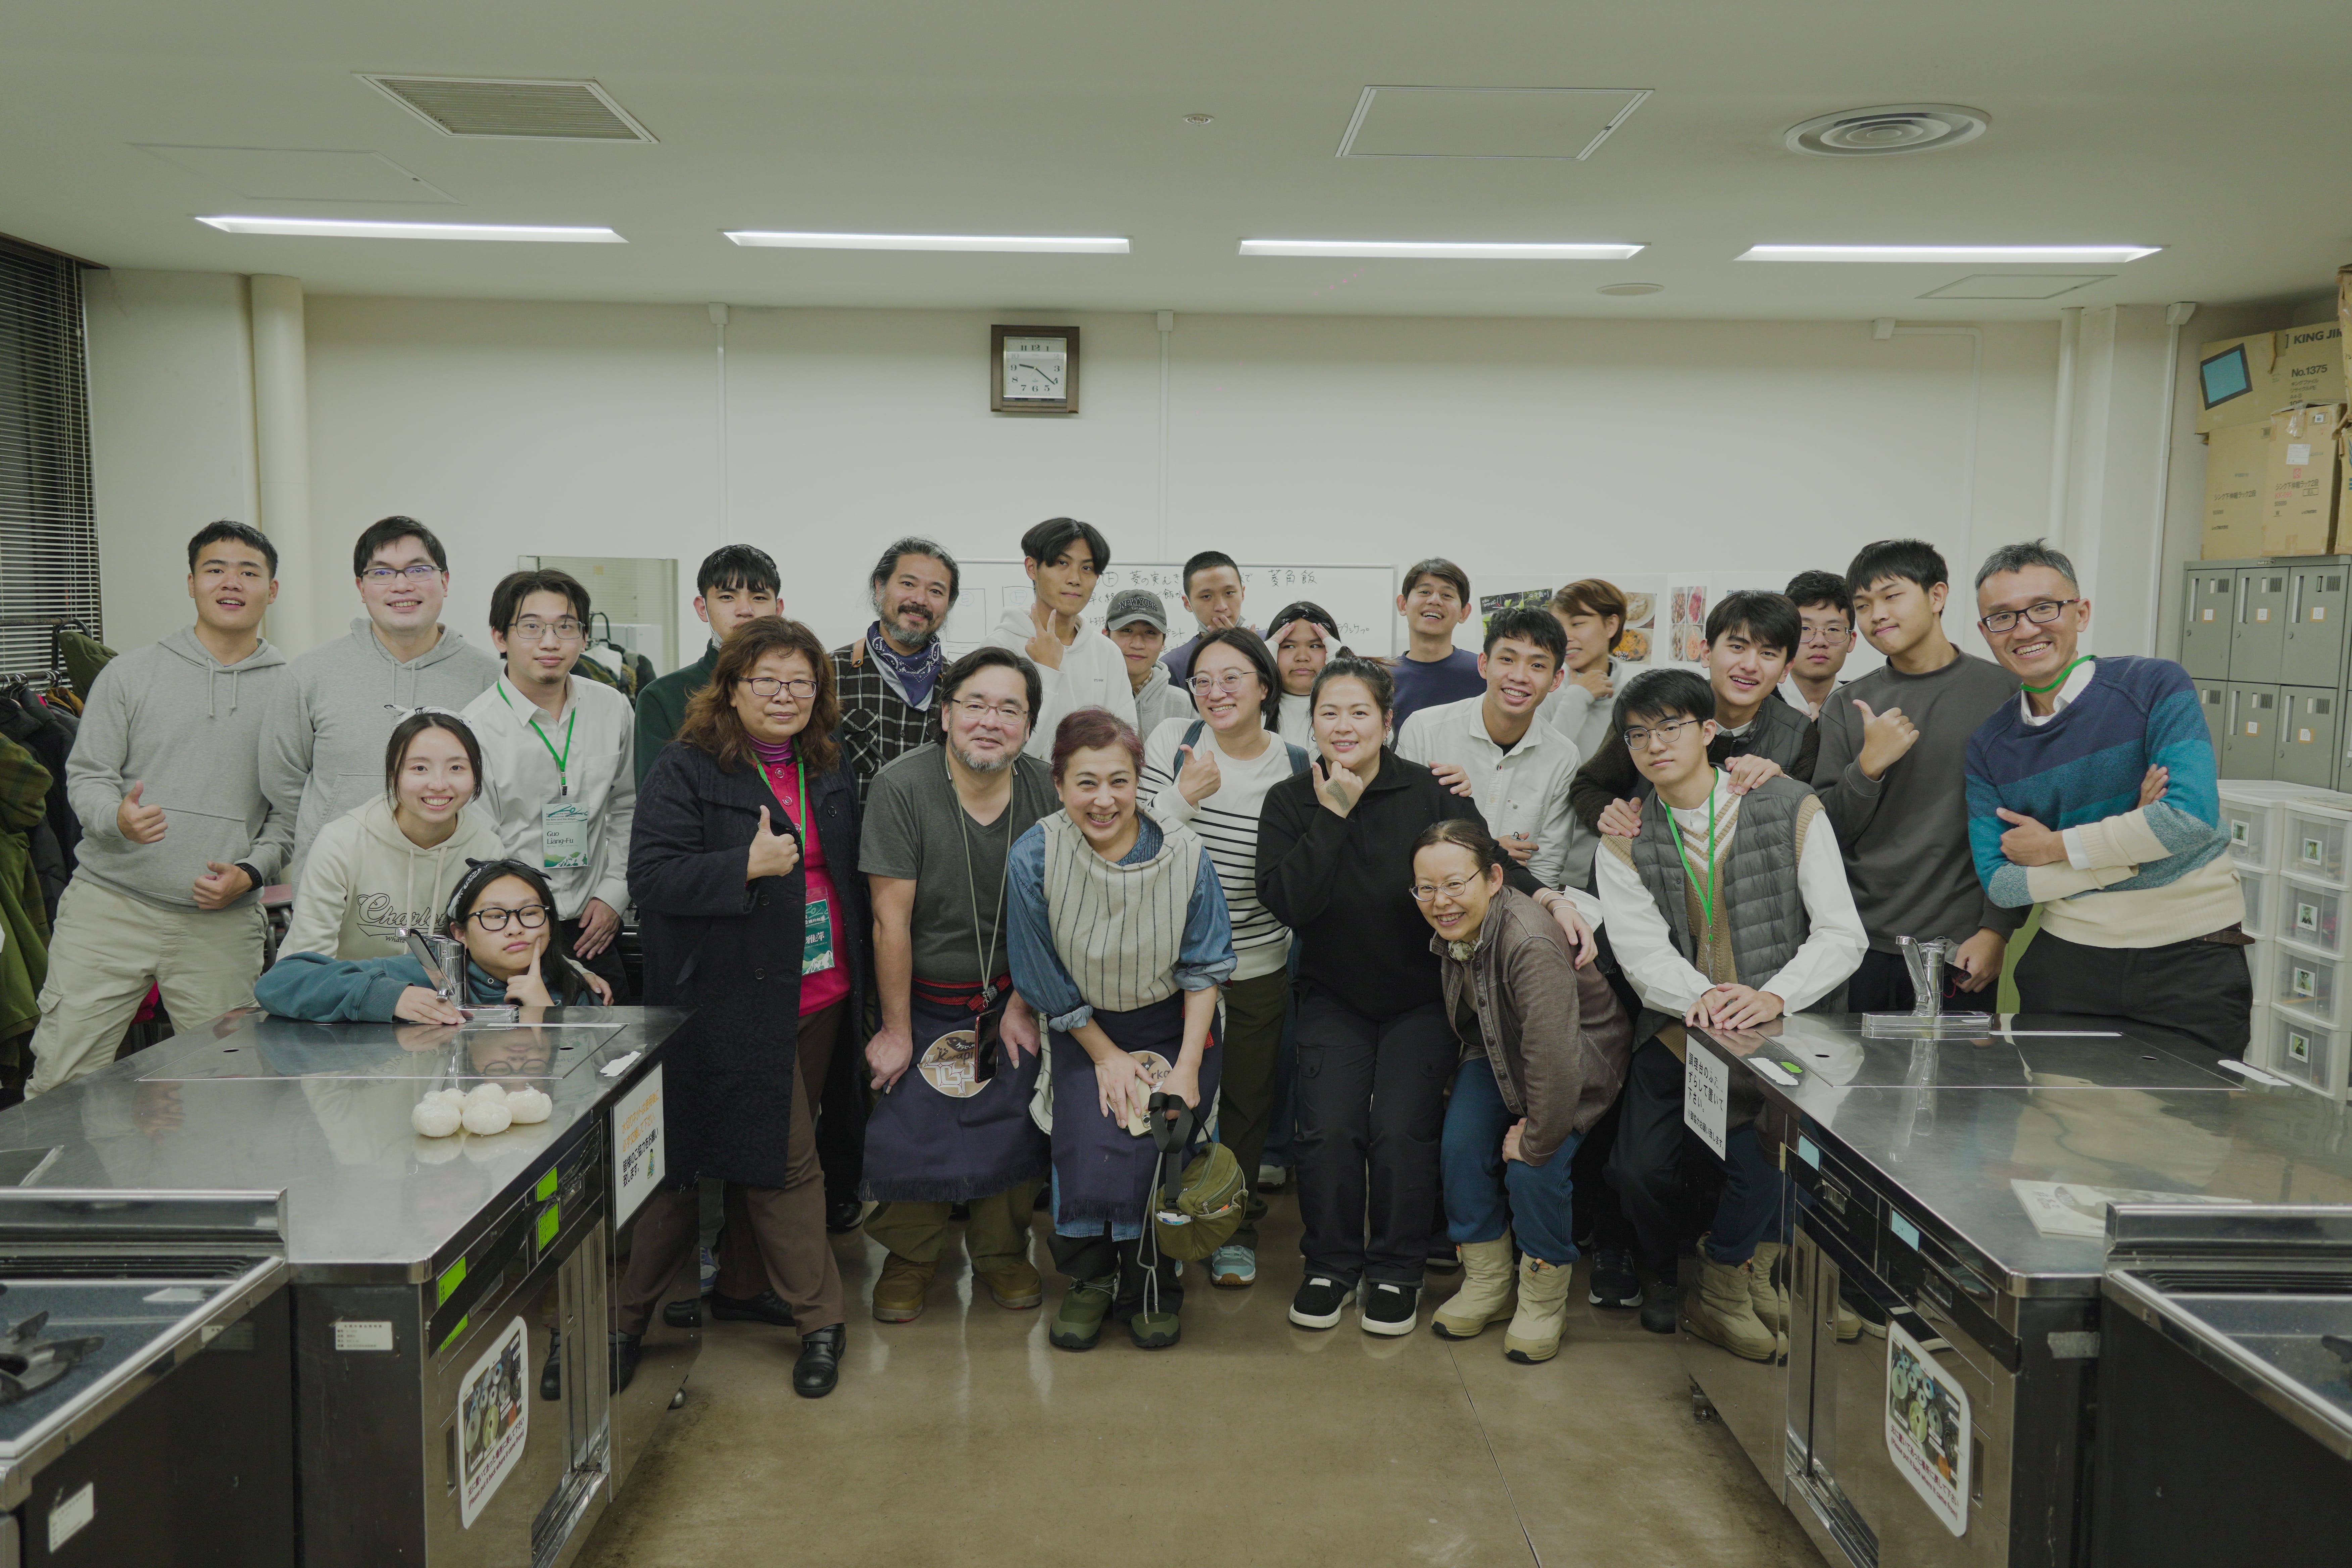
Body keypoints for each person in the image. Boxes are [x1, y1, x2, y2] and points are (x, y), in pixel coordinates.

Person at [1257, 656, 1598, 1336]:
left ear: (1387, 721)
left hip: (1422, 996)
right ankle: (1330, 1264)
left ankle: (1396, 1267)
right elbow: (1289, 901)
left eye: (1360, 712)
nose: (1344, 725)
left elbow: (1487, 862)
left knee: (1403, 1130)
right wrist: (1333, 815)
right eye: (1329, 712)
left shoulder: (1428, 789)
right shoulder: (1291, 799)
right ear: (1311, 721)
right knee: (1327, 1129)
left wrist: (1551, 897)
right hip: (1332, 995)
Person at [1592, 669, 1866, 1359]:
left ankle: (1735, 1279)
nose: (1655, 744)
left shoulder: (1788, 805)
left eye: (1671, 727)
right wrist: (1702, 997)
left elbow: (1841, 932)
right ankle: (1672, 1272)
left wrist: (1774, 996)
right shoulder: (1625, 834)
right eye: (1638, 734)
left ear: (1708, 731)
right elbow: (1639, 950)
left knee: (1771, 1158)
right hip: (1683, 1026)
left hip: (1779, 1025)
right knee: (1637, 1168)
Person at [626, 617, 866, 1397]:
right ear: (730, 687)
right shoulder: (688, 766)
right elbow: (651, 879)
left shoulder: (828, 762)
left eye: (801, 681)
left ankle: (739, 1284)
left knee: (759, 1149)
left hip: (821, 990)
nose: (785, 695)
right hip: (730, 996)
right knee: (782, 1163)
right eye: (767, 679)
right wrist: (745, 864)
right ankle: (819, 1319)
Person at [27, 523, 294, 1097]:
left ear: (271, 590)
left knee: (231, 1095)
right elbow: (89, 776)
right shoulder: (130, 673)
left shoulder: (293, 690)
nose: (231, 582)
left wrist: (252, 871)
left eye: (249, 572)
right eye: (215, 569)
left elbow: (290, 811)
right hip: (109, 906)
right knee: (60, 1082)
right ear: (192, 583)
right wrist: (116, 819)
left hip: (219, 923)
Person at [1006, 709, 1235, 1351]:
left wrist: (1186, 1068)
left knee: (1161, 1152)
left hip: (1173, 1024)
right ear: (1058, 784)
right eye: (1085, 782)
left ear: (1139, 781)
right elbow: (1040, 973)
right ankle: (1090, 1282)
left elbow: (1204, 967)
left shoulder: (1184, 852)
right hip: (1082, 1026)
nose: (1103, 799)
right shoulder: (1034, 855)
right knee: (1085, 1149)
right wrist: (1104, 1056)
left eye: (1118, 781)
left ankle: (1151, 1286)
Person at [1965, 540, 2249, 1055]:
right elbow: (2004, 886)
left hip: (2190, 958)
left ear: (2081, 613)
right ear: (1987, 634)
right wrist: (2130, 844)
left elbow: (2189, 820)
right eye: (2003, 617)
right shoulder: (1990, 746)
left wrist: (2054, 847)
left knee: (2194, 1108)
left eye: (2043, 608)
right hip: (2067, 964)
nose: (2025, 630)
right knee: (2059, 1109)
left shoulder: (2155, 685)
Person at [857, 646, 1056, 1324]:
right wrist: (896, 1029)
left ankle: (1001, 1251)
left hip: (1011, 991)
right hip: (919, 991)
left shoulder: (1044, 788)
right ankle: (911, 1254)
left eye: (1010, 709)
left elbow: (1053, 910)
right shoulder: (903, 785)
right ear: (946, 714)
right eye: (975, 704)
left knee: (1012, 1122)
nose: (990, 721)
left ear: (1027, 726)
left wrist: (1023, 1002)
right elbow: (890, 920)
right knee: (912, 1123)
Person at [1415, 821, 1632, 1363]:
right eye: (1426, 888)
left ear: (1494, 879)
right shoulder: (1459, 925)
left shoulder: (1529, 940)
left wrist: (1535, 1138)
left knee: (1533, 1168)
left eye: (1454, 884)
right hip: (1498, 1050)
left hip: (1575, 1061)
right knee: (1460, 1146)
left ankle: (1541, 1297)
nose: (1440, 901)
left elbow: (1555, 1060)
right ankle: (1488, 1283)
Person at [1139, 627, 1308, 1288]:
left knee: (1246, 1101)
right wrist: (1183, 798)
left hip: (1257, 959)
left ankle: (1233, 1227)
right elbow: (1133, 845)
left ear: (1264, 685)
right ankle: (1163, 1222)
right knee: (1171, 1098)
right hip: (1171, 962)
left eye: (1232, 677)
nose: (1215, 692)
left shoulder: (1295, 763)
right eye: (1203, 679)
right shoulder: (1173, 740)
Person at [1811, 541, 2020, 1011]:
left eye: (1892, 596)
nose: (1877, 615)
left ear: (1937, 596)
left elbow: (2018, 821)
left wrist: (1996, 929)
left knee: (1953, 1063)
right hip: (1857, 941)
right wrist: (1869, 766)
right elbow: (1827, 833)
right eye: (1864, 605)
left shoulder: (2005, 693)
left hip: (1960, 945)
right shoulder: (1847, 705)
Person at [261, 517, 499, 880]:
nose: (401, 585)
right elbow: (283, 782)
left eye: (418, 569)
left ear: (445, 581)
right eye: (382, 573)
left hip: (454, 882)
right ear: (361, 586)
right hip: (337, 883)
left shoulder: (489, 678)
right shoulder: (311, 673)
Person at [461, 569, 635, 1000]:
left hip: (596, 923)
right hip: (514, 930)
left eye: (566, 626)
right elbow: (483, 847)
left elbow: (630, 806)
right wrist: (529, 922)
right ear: (500, 637)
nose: (550, 642)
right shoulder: (475, 729)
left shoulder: (612, 708)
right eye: (532, 627)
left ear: (585, 636)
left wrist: (615, 895)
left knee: (617, 1036)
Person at [1572, 589, 1818, 838]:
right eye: (1737, 647)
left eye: (1768, 654)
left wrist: (1783, 784)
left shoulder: (1798, 734)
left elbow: (1801, 824)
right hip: (1650, 852)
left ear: (1786, 669)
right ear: (1707, 652)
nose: (1750, 665)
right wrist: (1611, 814)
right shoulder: (1652, 711)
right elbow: (1588, 786)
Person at [257, 857, 608, 1019]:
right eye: (494, 916)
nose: (515, 928)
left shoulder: (576, 990)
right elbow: (280, 982)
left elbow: (586, 1084)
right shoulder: (428, 973)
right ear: (460, 933)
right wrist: (387, 996)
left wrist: (545, 1013)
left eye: (530, 913)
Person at [281, 710, 506, 960]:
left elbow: (490, 952)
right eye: (420, 768)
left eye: (456, 768)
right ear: (393, 774)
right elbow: (310, 960)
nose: (439, 784)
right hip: (344, 983)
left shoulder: (487, 851)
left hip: (444, 985)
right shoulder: (341, 844)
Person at [1399, 607, 1584, 891]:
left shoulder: (1563, 757)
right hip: (1426, 898)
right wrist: (1489, 850)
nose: (1519, 676)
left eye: (1537, 666)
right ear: (1484, 664)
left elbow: (1546, 868)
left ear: (1556, 680)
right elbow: (1401, 837)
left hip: (1513, 903)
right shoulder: (1425, 730)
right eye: (1507, 660)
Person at [986, 517, 1135, 758]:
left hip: (1092, 782)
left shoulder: (1107, 652)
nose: (1075, 579)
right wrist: (1046, 670)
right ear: (1032, 568)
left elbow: (1126, 742)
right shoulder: (1001, 647)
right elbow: (1004, 750)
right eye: (1062, 563)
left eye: (1087, 568)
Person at [633, 544, 782, 786]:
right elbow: (655, 800)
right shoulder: (663, 697)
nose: (745, 610)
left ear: (778, 609)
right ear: (702, 608)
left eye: (759, 598)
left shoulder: (803, 690)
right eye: (727, 597)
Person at [832, 537, 960, 799]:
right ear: (880, 588)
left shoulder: (961, 686)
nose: (920, 600)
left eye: (936, 591)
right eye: (908, 584)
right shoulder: (828, 672)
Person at [1388, 558, 1485, 733]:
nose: (1435, 601)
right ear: (1403, 604)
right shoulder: (1382, 678)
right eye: (1425, 592)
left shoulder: (1484, 673)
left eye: (1447, 595)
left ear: (1464, 612)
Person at [1102, 589, 1197, 734]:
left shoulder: (1183, 705)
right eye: (1127, 630)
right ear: (1106, 636)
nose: (1137, 645)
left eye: (1150, 633)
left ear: (1163, 642)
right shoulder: (1087, 693)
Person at [1159, 550, 1248, 684]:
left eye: (1229, 593)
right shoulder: (1172, 666)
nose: (1221, 607)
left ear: (1243, 594)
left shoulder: (1270, 646)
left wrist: (1253, 650)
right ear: (1187, 603)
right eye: (1206, 596)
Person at [1781, 570, 1858, 719]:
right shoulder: (1758, 703)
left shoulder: (1867, 706)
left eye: (1833, 629)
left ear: (1851, 641)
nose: (1819, 642)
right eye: (1805, 629)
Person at [1265, 600, 1340, 745]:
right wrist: (1260, 662)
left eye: (1315, 646)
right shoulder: (1251, 711)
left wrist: (1342, 668)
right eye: (1289, 646)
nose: (1302, 657)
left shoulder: (1360, 708)